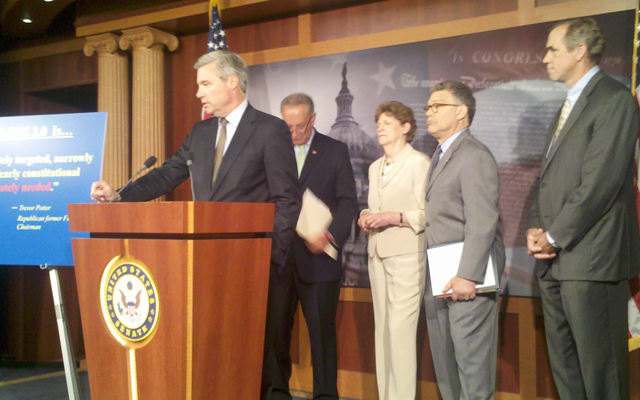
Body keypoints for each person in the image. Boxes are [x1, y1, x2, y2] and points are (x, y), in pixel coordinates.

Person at [90, 50, 300, 275]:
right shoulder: (200, 132)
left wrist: (268, 256)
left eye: (205, 84)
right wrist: (119, 195)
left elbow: (286, 199)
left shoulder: (269, 130)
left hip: (249, 258)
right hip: (201, 254)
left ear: (232, 82)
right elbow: (166, 175)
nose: (198, 93)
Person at [527, 18, 640, 400]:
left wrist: (554, 236)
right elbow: (548, 179)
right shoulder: (567, 106)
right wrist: (535, 227)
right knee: (567, 371)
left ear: (580, 51)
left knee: (602, 375)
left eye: (552, 49)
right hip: (555, 261)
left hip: (593, 262)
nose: (544, 59)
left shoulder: (614, 100)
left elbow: (599, 184)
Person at [261, 93, 358, 400]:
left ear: (313, 120)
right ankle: (277, 392)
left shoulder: (335, 150)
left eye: (299, 126)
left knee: (322, 337)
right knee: (276, 334)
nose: (292, 133)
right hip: (279, 258)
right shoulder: (271, 151)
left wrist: (329, 237)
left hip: (319, 260)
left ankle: (326, 395)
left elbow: (348, 203)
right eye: (286, 126)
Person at [422, 81, 505, 400]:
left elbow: (483, 221)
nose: (429, 113)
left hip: (467, 281)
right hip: (440, 278)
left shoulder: (473, 155)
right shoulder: (441, 155)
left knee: (472, 373)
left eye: (436, 106)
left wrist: (468, 275)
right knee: (447, 370)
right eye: (427, 107)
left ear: (461, 111)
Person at [357, 101, 430, 400]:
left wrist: (395, 217)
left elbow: (429, 213)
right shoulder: (375, 167)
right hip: (377, 254)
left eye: (388, 122)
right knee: (383, 331)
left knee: (400, 333)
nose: (380, 128)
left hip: (407, 255)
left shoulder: (419, 163)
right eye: (378, 123)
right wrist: (365, 214)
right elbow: (373, 205)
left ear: (406, 127)